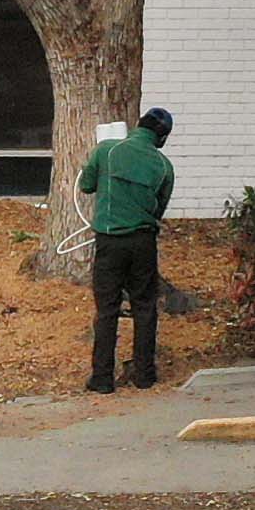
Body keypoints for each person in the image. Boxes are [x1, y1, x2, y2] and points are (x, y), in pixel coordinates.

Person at [80, 105, 175, 394]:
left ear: (139, 125)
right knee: (145, 306)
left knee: (107, 309)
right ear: (162, 137)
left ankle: (102, 379)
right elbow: (159, 208)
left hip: (110, 241)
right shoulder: (163, 166)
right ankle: (144, 375)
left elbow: (85, 185)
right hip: (143, 242)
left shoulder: (107, 150)